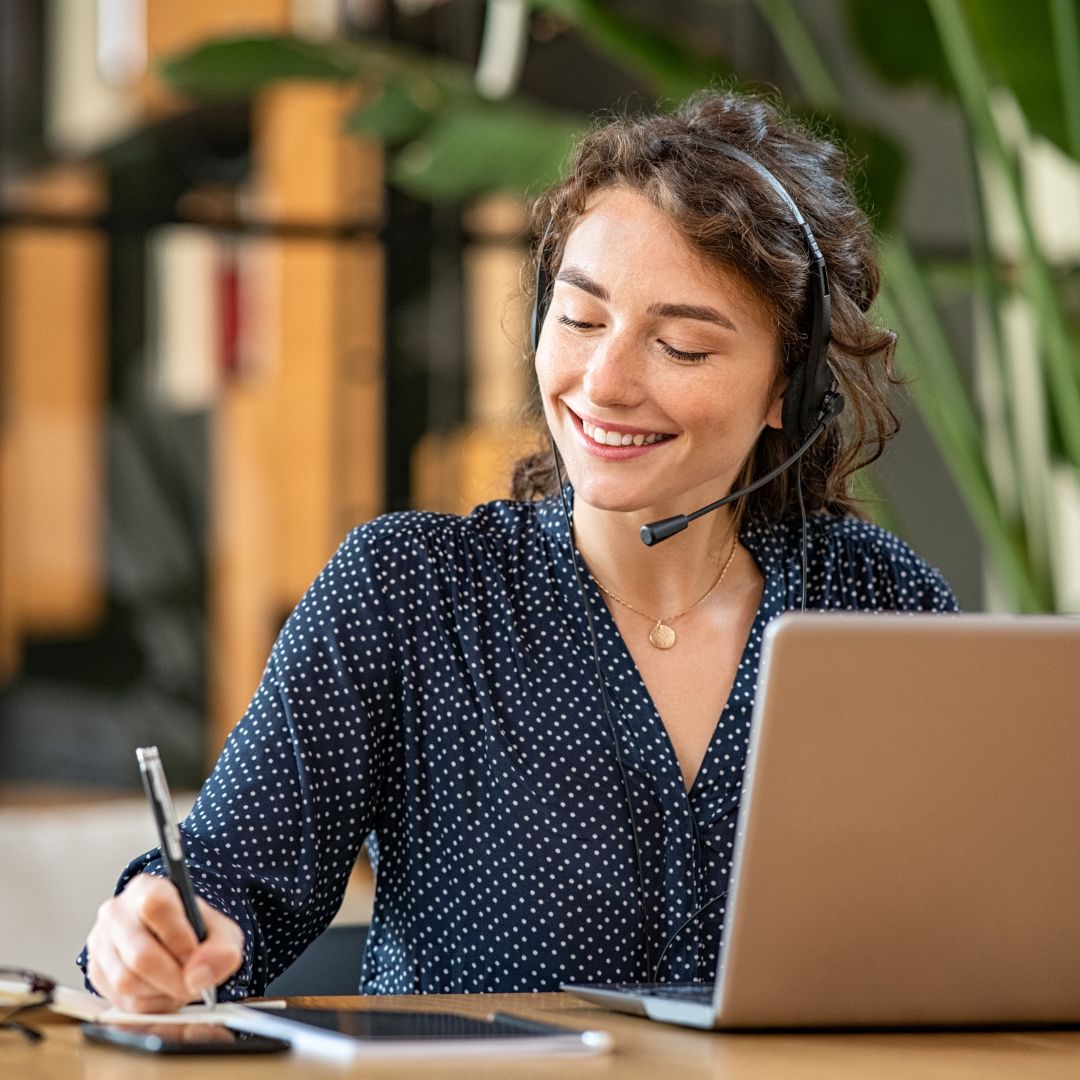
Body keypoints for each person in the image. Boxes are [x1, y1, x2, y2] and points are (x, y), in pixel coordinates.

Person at [82, 87, 957, 1012]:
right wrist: (151, 937)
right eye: (580, 321)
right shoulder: (410, 592)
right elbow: (215, 896)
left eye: (683, 347)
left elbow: (972, 923)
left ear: (792, 385)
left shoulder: (880, 606)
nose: (604, 382)